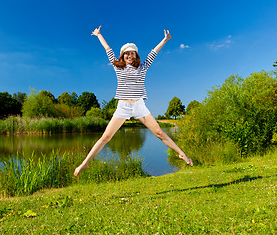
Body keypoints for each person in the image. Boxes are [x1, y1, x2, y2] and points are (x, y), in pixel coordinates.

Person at [74, 26, 193, 176]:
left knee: (159, 133)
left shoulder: (142, 68)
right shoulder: (118, 68)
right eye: (127, 53)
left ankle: (182, 154)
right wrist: (98, 35)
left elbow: (153, 53)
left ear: (136, 55)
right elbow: (107, 49)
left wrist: (165, 40)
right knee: (106, 137)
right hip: (123, 107)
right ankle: (85, 163)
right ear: (123, 56)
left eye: (132, 53)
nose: (130, 55)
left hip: (139, 106)